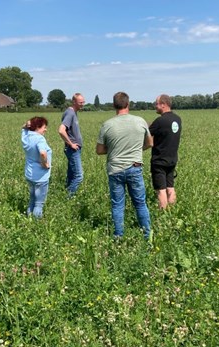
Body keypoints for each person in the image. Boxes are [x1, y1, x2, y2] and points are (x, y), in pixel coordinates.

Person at [96, 92, 153, 241]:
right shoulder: (140, 121)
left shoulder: (107, 124)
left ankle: (118, 236)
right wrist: (135, 149)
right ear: (128, 104)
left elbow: (99, 150)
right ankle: (147, 236)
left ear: (114, 105)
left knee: (117, 205)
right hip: (135, 167)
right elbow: (149, 143)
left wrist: (115, 148)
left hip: (115, 169)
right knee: (140, 203)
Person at [149, 94, 182, 209]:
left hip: (160, 161)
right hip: (172, 159)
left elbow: (147, 133)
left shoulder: (160, 121)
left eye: (156, 104)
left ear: (163, 105)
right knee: (170, 187)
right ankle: (173, 212)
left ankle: (163, 215)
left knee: (161, 190)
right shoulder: (177, 119)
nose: (155, 106)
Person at [22, 116, 52, 218]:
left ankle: (29, 219)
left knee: (32, 198)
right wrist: (45, 164)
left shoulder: (26, 136)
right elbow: (43, 153)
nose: (45, 129)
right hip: (40, 176)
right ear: (38, 127)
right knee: (39, 203)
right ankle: (36, 224)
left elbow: (24, 128)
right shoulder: (40, 139)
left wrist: (26, 125)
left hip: (29, 174)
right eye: (44, 127)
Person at [58, 93, 85, 197]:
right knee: (79, 176)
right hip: (73, 149)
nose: (82, 104)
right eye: (80, 102)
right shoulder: (70, 113)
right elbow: (61, 130)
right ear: (74, 102)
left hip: (74, 149)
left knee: (71, 175)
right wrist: (71, 144)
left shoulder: (74, 112)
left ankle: (66, 193)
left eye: (83, 102)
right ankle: (68, 197)